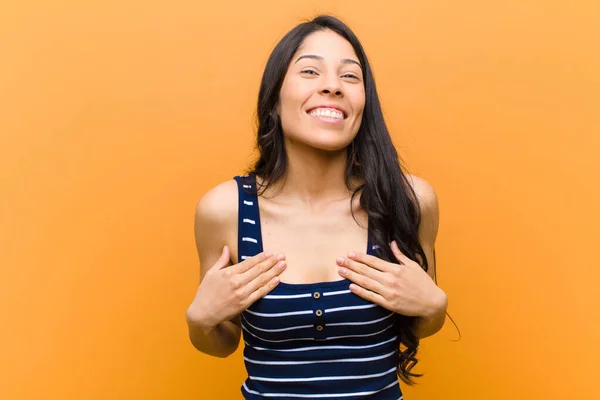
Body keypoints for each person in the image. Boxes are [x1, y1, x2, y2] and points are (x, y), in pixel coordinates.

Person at [186, 14, 448, 399]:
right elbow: (222, 343)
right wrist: (199, 320)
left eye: (350, 76)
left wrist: (434, 307)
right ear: (274, 97)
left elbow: (420, 321)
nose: (332, 87)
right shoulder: (223, 210)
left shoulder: (407, 200)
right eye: (310, 71)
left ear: (364, 103)